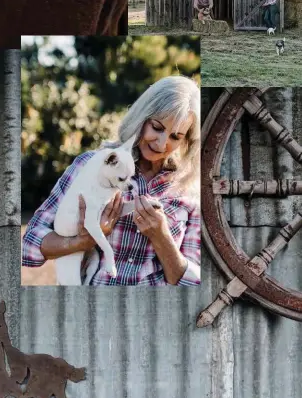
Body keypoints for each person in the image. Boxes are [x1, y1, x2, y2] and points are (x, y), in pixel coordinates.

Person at [22, 76, 201, 286]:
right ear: (142, 116)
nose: (162, 143)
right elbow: (30, 246)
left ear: (185, 141)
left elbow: (194, 284)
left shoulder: (188, 190)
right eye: (157, 127)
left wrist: (162, 239)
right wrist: (83, 241)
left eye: (175, 137)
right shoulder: (91, 165)